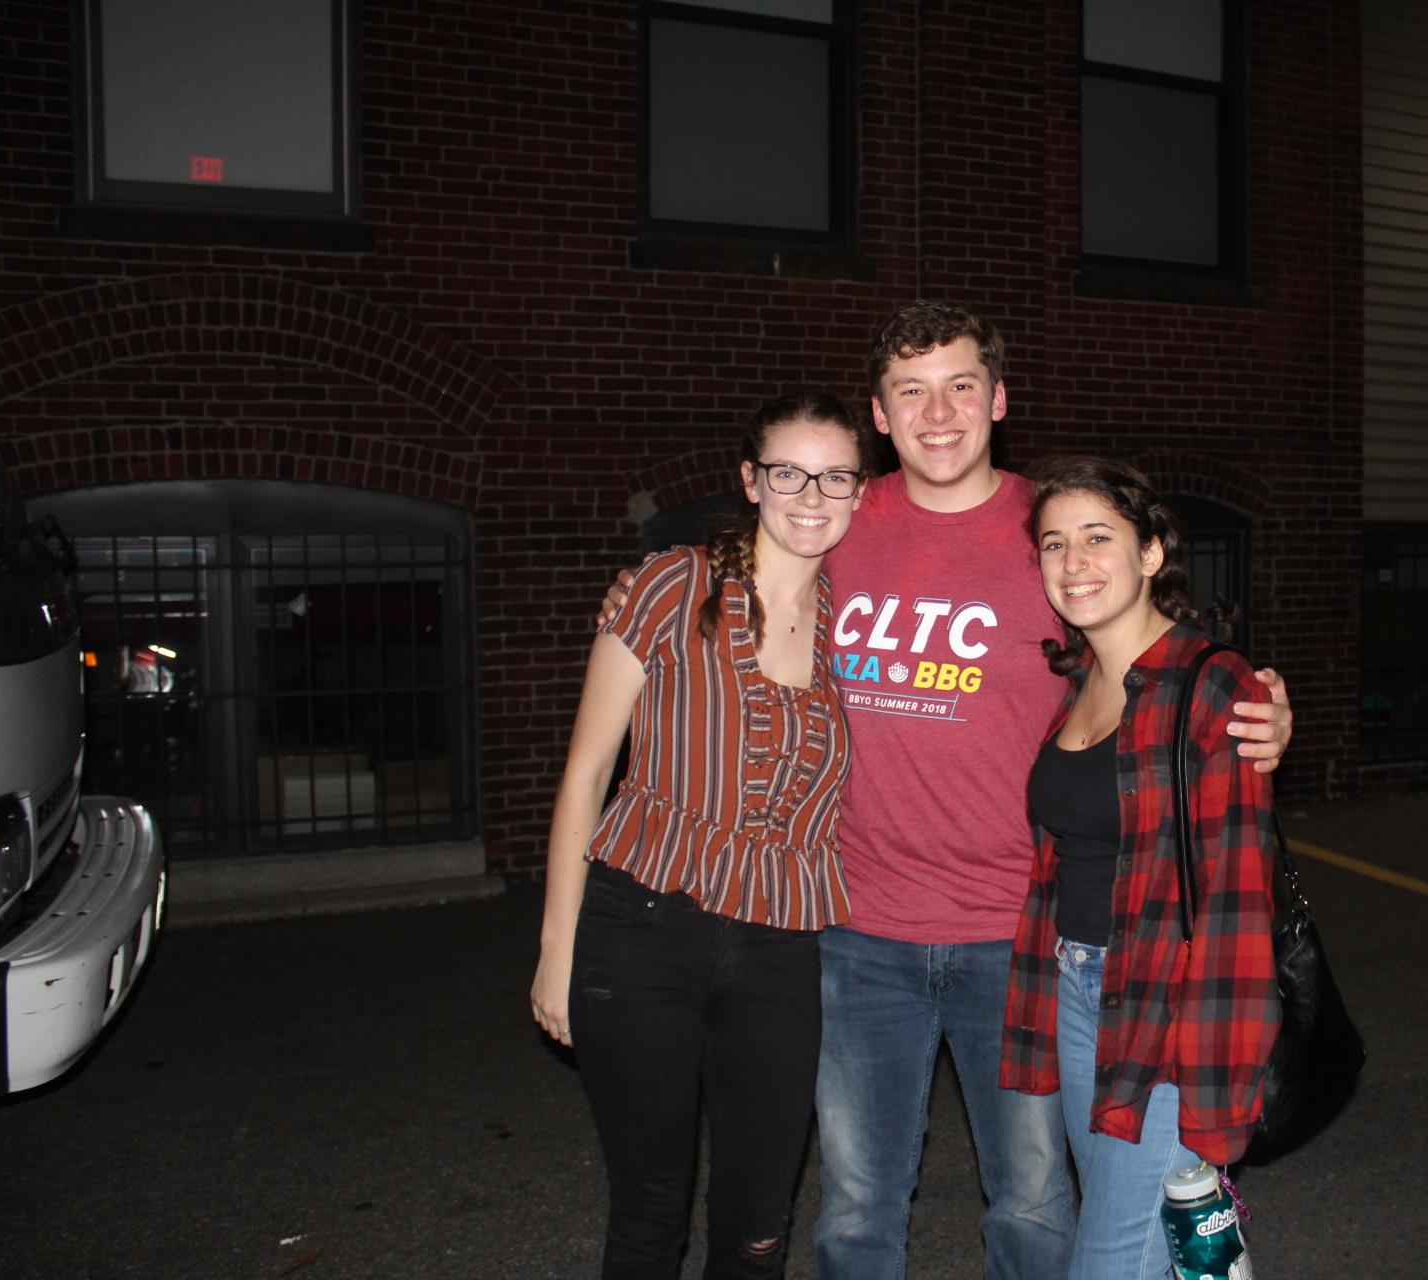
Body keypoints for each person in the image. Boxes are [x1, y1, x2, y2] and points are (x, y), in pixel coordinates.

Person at [604, 302, 1294, 1280]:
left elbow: (1150, 638)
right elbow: (727, 603)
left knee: (1033, 1197)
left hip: (1018, 936)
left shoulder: (1047, 527)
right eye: (910, 390)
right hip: (857, 927)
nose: (939, 412)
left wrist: (1260, 695)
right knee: (854, 1199)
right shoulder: (837, 523)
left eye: (962, 384)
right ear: (880, 415)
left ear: (999, 399)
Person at [530, 392, 871, 1279]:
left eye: (835, 475)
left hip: (779, 952)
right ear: (750, 480)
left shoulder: (860, 626)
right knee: (649, 1213)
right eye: (788, 472)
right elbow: (585, 774)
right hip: (640, 929)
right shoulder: (671, 585)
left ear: (861, 491)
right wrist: (555, 950)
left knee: (760, 1224)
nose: (811, 495)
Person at [1001, 456, 1279, 1279]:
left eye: (1097, 538)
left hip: (1167, 1004)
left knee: (1113, 1255)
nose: (1073, 562)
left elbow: (1237, 904)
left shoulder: (1213, 686)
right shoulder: (1080, 679)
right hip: (1078, 989)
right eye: (1054, 544)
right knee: (1139, 1236)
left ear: (1153, 550)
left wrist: (1217, 1085)